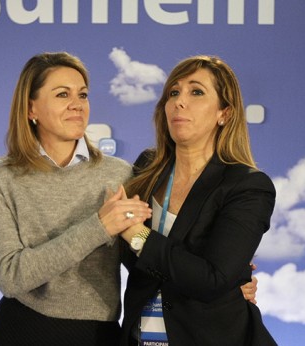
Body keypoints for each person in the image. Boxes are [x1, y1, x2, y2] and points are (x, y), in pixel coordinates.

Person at [0, 52, 152, 345]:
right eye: (62, 94)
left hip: (98, 335)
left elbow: (144, 260)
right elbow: (11, 276)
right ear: (31, 108)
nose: (77, 105)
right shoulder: (2, 177)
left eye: (82, 95)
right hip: (22, 330)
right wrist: (99, 226)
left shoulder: (120, 174)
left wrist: (226, 285)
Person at [119, 55, 276, 345]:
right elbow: (138, 262)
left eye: (197, 92)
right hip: (141, 336)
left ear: (224, 113)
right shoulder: (147, 168)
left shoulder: (247, 186)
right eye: (174, 92)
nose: (179, 101)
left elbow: (212, 279)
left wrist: (138, 235)